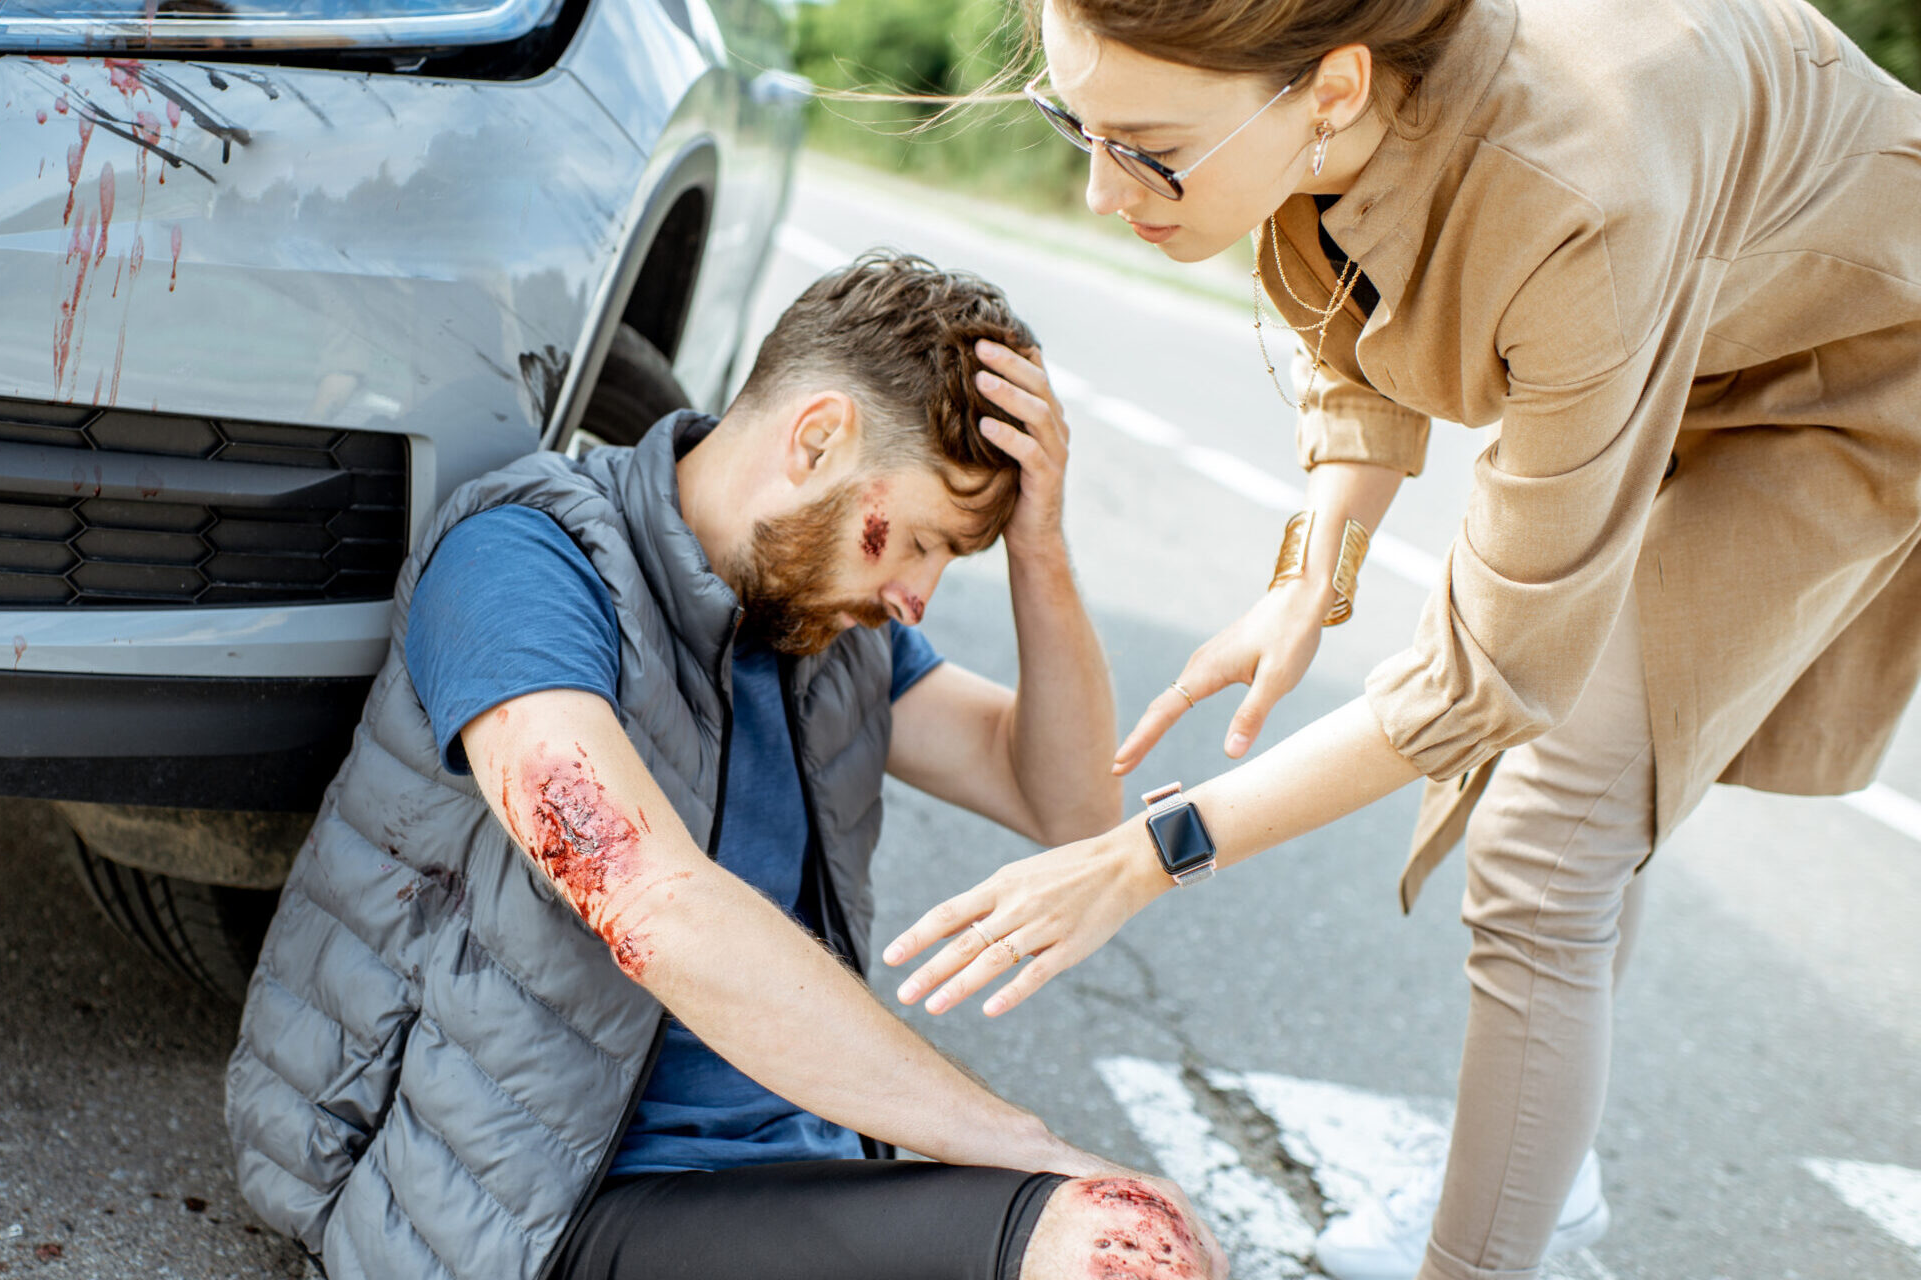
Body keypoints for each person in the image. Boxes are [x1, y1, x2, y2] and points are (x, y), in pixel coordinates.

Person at [881, 1, 1921, 1278]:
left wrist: (1144, 856)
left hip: (1849, 366)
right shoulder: (1330, 107)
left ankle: (1484, 1254)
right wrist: (1307, 572)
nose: (1100, 192)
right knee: (1594, 783)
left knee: (1549, 825)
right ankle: (1552, 1171)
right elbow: (1354, 311)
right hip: (1698, 302)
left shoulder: (1573, 198)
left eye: (1146, 149)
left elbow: (1483, 674)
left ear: (1330, 90)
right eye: (1074, 126)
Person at [225, 253, 1229, 1280]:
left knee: (1132, 1234)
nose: (915, 595)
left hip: (779, 1183)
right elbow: (646, 898)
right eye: (918, 540)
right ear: (816, 439)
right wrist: (1015, 1141)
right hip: (528, 1204)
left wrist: (1041, 549)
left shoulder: (827, 632)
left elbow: (1064, 800)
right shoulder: (523, 559)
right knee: (1119, 1243)